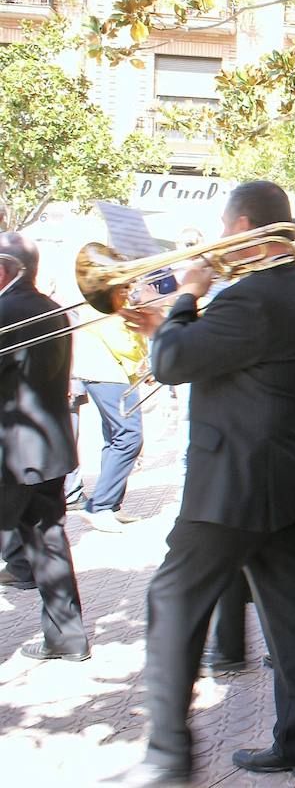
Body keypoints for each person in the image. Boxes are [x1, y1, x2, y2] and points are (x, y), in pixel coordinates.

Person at [121, 181, 295, 782]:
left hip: (232, 483)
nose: (216, 241)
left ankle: (168, 753)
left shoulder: (251, 296)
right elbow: (217, 357)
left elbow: (173, 364)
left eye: (222, 228)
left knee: (172, 599)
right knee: (291, 619)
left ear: (241, 230)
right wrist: (165, 324)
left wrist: (186, 293)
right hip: (283, 478)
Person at [0, 234, 88, 661]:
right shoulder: (54, 309)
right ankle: (67, 637)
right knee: (48, 540)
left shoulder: (4, 312)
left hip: (11, 455)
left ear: (4, 269)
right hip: (48, 451)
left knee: (45, 539)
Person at [70, 318, 147, 532]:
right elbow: (121, 340)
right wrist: (142, 358)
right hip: (109, 370)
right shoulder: (105, 304)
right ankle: (101, 506)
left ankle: (110, 505)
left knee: (115, 438)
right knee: (129, 436)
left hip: (100, 369)